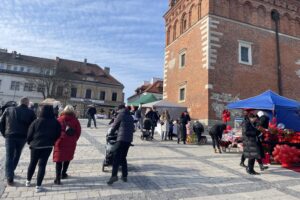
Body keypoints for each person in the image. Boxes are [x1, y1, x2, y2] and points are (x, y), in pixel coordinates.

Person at [0, 97, 36, 186]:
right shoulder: (31, 112)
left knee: (9, 155)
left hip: (10, 135)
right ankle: (11, 171)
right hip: (22, 137)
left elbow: (1, 122)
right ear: (27, 103)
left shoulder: (8, 109)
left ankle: (9, 176)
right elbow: (33, 126)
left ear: (19, 102)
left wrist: (4, 133)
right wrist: (30, 137)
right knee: (17, 154)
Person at [26, 105, 61, 192]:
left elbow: (30, 133)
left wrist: (29, 141)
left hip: (35, 145)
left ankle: (28, 181)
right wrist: (53, 141)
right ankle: (38, 186)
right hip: (47, 146)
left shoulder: (36, 121)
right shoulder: (55, 122)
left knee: (32, 163)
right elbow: (58, 134)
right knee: (42, 165)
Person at [53, 105, 81, 185]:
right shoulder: (75, 120)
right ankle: (63, 174)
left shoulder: (59, 119)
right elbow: (78, 132)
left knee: (59, 160)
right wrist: (74, 139)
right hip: (71, 141)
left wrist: (55, 140)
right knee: (67, 158)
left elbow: (54, 131)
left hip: (60, 141)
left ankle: (57, 179)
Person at [107, 104, 135, 185]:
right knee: (123, 157)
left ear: (120, 109)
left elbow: (114, 126)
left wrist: (110, 134)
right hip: (128, 140)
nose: (117, 111)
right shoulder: (130, 116)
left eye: (117, 110)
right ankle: (125, 176)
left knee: (116, 158)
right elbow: (133, 129)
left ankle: (114, 176)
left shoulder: (120, 115)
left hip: (121, 139)